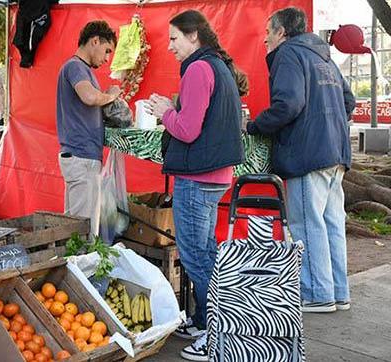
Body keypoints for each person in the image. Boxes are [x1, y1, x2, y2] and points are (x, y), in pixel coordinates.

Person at [148, 10, 247, 361]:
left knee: (196, 258)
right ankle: (204, 320)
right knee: (206, 253)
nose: (170, 46)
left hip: (196, 178)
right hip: (216, 177)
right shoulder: (218, 66)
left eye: (174, 38)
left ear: (194, 36)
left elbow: (187, 130)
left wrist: (164, 111)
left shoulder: (197, 69)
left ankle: (217, 334)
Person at [245, 7, 355, 313]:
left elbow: (288, 104)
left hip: (307, 154)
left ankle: (318, 294)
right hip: (335, 153)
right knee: (331, 223)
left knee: (307, 224)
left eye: (268, 32)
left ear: (281, 32)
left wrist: (255, 125)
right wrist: (327, 126)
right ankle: (338, 292)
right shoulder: (323, 56)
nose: (265, 39)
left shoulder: (289, 54)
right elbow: (349, 101)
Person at [56, 20, 120, 237]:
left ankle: (74, 267)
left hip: (84, 157)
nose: (107, 58)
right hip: (81, 157)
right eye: (107, 50)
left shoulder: (82, 69)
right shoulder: (75, 66)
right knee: (82, 231)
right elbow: (90, 97)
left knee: (79, 226)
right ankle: (77, 269)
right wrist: (111, 96)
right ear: (94, 41)